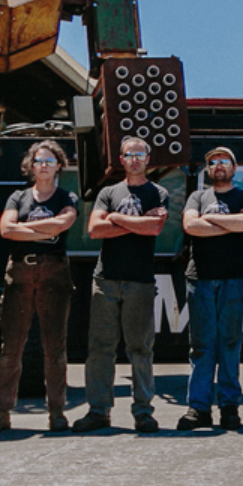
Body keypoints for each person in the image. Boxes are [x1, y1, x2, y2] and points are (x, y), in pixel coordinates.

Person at [0, 140, 79, 434]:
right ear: (31, 166)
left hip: (54, 271)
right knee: (11, 347)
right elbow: (6, 229)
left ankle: (57, 413)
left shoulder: (67, 196)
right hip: (20, 270)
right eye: (39, 161)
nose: (44, 166)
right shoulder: (18, 197)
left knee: (55, 347)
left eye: (50, 160)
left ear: (59, 165)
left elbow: (63, 225)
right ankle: (1, 413)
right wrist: (45, 228)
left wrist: (26, 230)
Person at [75, 135, 170, 434]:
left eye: (140, 154)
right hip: (106, 280)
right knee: (100, 348)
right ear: (121, 159)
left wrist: (115, 219)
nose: (135, 159)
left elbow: (154, 227)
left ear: (148, 158)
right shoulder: (108, 192)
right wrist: (136, 223)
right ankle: (98, 411)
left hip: (140, 281)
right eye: (129, 155)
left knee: (140, 349)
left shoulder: (158, 193)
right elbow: (95, 229)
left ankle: (143, 412)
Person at [178, 146, 243, 431]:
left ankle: (229, 407)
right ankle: (198, 408)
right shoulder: (197, 196)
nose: (218, 165)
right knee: (201, 346)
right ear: (208, 169)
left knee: (229, 343)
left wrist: (209, 220)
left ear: (234, 168)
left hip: (233, 279)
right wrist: (229, 225)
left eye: (224, 161)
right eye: (213, 162)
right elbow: (190, 226)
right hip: (199, 278)